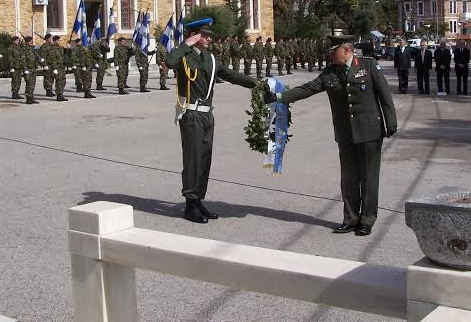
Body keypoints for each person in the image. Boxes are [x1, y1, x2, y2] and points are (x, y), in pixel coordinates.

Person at [266, 35, 397, 236]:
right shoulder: (330, 72)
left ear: (345, 50)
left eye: (332, 50)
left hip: (370, 131)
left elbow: (384, 95)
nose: (329, 54)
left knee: (369, 177)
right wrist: (280, 97)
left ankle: (367, 220)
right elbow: (307, 89)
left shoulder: (368, 66)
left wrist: (391, 122)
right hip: (345, 133)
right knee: (349, 178)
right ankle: (351, 219)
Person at [165, 18, 257, 224]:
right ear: (194, 36)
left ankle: (198, 200)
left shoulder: (210, 59)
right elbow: (169, 62)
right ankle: (190, 204)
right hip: (191, 114)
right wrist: (184, 45)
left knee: (205, 158)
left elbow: (231, 75)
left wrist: (257, 85)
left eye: (209, 35)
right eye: (204, 35)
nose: (209, 39)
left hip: (207, 115)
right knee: (193, 159)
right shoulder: (184, 56)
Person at [49, 36, 67, 101]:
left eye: (59, 40)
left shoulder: (60, 48)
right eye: (58, 40)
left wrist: (69, 48)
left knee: (63, 81)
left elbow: (66, 52)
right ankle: (59, 95)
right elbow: (52, 59)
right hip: (57, 67)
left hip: (62, 67)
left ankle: (61, 93)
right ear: (54, 41)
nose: (59, 41)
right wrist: (54, 68)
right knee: (59, 81)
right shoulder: (52, 49)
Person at [22, 36, 40, 104]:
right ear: (26, 42)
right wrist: (25, 69)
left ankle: (31, 97)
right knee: (29, 84)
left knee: (32, 84)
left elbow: (34, 58)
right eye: (30, 41)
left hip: (33, 68)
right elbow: (23, 60)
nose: (31, 42)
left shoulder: (31, 49)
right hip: (28, 69)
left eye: (31, 41)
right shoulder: (24, 50)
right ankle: (28, 98)